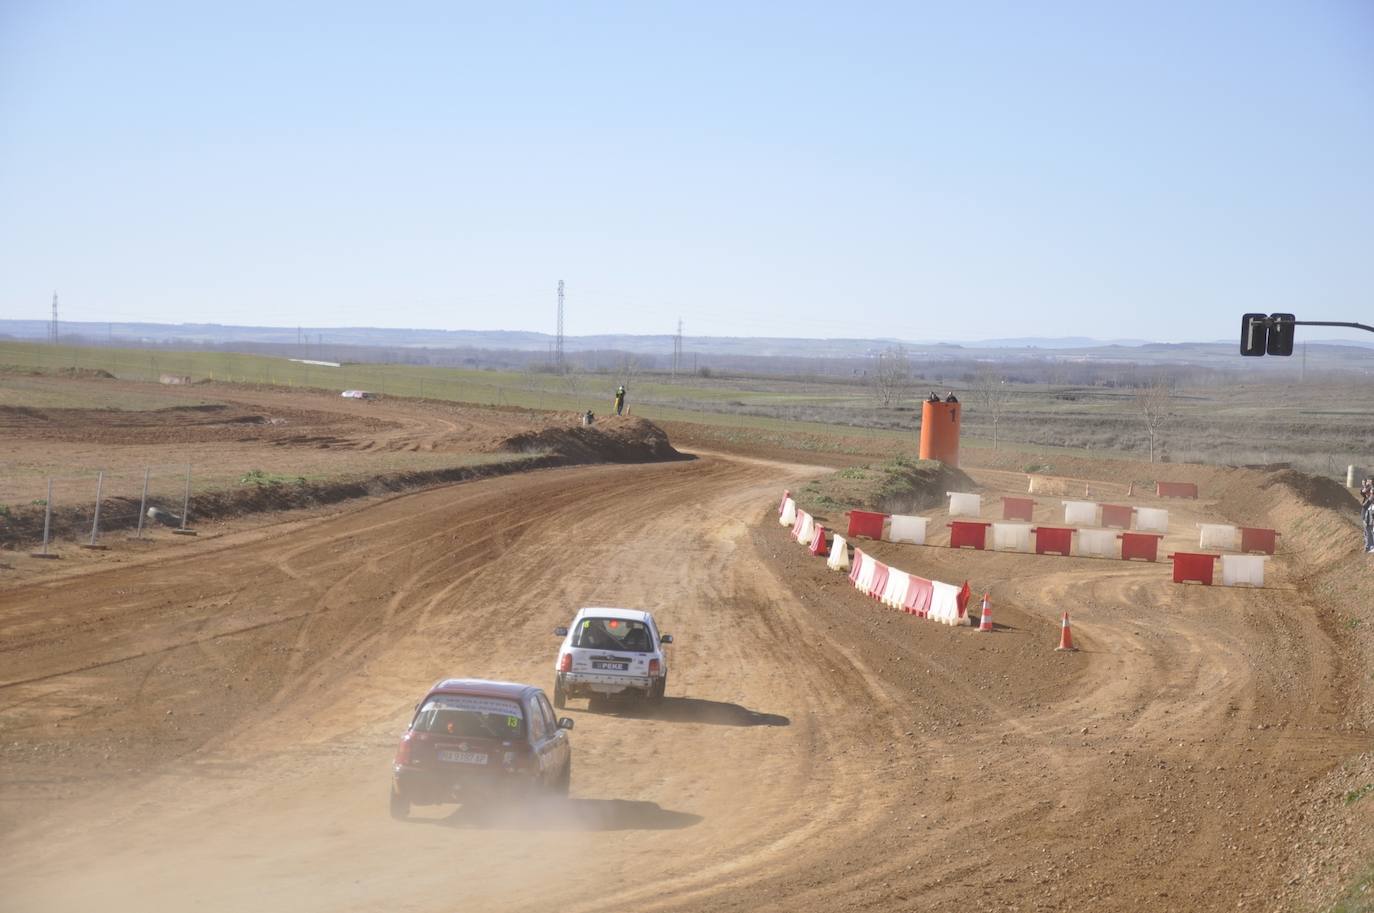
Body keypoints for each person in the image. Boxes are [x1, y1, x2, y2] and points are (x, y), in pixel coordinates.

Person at [1362, 479, 1374, 554]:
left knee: (1372, 531)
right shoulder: (1369, 499)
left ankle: (1371, 546)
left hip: (1371, 512)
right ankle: (1369, 546)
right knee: (1368, 530)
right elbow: (1362, 492)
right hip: (1369, 514)